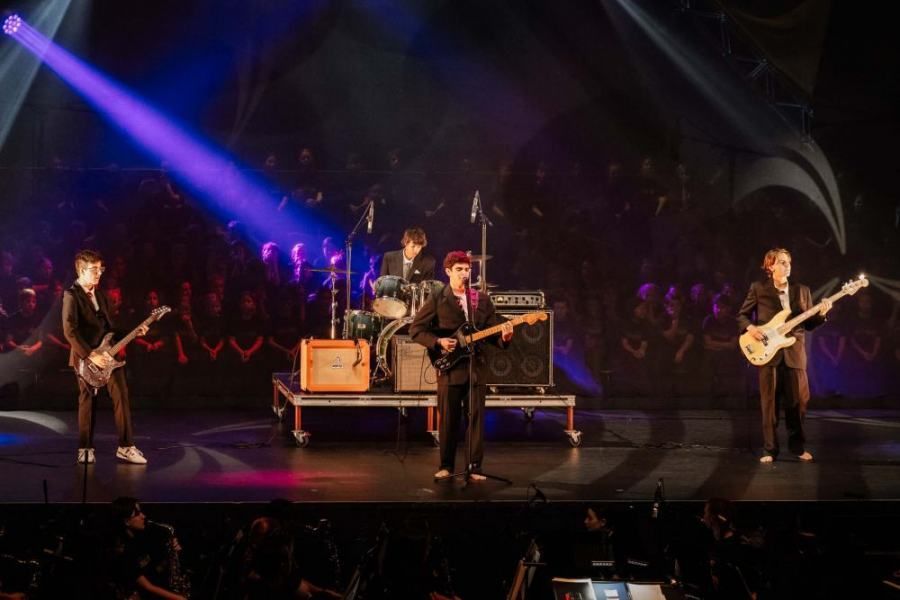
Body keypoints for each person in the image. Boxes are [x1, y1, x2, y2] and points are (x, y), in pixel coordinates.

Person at [410, 251, 513, 481]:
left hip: (476, 366)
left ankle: (474, 467)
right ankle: (446, 465)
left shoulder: (482, 299)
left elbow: (492, 330)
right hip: (450, 367)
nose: (465, 273)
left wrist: (504, 337)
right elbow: (416, 329)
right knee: (448, 418)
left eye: (467, 269)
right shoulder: (438, 297)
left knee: (476, 418)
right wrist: (438, 342)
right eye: (459, 269)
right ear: (448, 271)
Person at [737, 248, 831, 464]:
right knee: (769, 404)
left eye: (788, 262)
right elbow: (742, 316)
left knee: (798, 403)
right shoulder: (759, 288)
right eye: (781, 262)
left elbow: (808, 324)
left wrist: (822, 314)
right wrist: (751, 329)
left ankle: (797, 447)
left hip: (794, 352)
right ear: (770, 266)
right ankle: (770, 449)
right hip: (768, 353)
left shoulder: (802, 290)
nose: (787, 265)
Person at [62, 250, 148, 465]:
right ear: (82, 270)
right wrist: (90, 354)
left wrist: (134, 332)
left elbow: (111, 328)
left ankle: (126, 447)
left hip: (109, 356)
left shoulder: (101, 295)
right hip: (86, 358)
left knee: (121, 396)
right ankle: (85, 448)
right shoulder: (71, 295)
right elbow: (69, 330)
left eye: (101, 269)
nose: (99, 273)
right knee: (88, 401)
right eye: (94, 270)